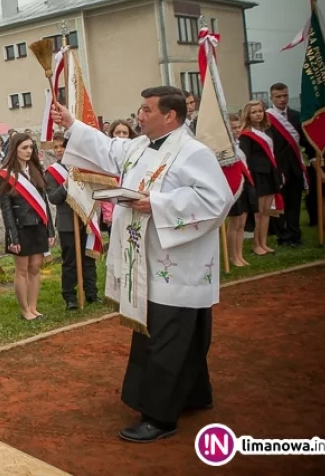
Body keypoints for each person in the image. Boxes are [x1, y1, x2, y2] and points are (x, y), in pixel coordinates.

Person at [51, 86, 234, 443]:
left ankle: (159, 416)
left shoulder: (193, 153)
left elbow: (217, 199)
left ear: (170, 116)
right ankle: (195, 395)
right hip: (146, 259)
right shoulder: (137, 146)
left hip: (178, 264)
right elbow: (106, 149)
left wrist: (159, 204)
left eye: (147, 109)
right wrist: (71, 123)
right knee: (178, 333)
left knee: (168, 338)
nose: (140, 115)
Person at [0, 133, 56, 321]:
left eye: (31, 147)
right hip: (20, 228)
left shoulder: (36, 170)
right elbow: (6, 210)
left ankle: (33, 307)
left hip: (38, 226)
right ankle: (25, 310)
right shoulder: (4, 175)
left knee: (36, 267)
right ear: (15, 150)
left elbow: (44, 203)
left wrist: (50, 230)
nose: (29, 151)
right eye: (24, 148)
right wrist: (12, 237)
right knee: (21, 270)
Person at [46, 132, 98, 310]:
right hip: (68, 222)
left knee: (88, 257)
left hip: (86, 217)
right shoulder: (52, 172)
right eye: (56, 147)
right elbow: (53, 197)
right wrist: (65, 185)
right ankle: (70, 296)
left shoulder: (81, 166)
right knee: (70, 261)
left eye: (63, 146)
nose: (60, 150)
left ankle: (91, 292)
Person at [266, 83, 314, 247]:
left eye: (285, 96)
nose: (282, 99)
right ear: (271, 98)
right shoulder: (267, 118)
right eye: (278, 96)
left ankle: (295, 234)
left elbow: (306, 140)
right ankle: (283, 237)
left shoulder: (296, 116)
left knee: (294, 203)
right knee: (280, 203)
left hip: (295, 166)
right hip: (278, 167)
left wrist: (313, 157)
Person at [239, 100, 282, 257]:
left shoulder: (267, 131)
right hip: (257, 175)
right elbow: (245, 157)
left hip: (270, 173)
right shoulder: (246, 135)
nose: (258, 114)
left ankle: (263, 242)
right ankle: (255, 244)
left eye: (260, 111)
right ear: (248, 115)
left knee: (266, 211)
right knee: (258, 212)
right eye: (254, 112)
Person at [226, 113, 257, 267]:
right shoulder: (225, 147)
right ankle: (232, 256)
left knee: (241, 224)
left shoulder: (239, 144)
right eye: (233, 128)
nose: (237, 130)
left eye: (239, 127)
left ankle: (240, 254)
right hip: (233, 187)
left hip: (244, 185)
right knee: (234, 223)